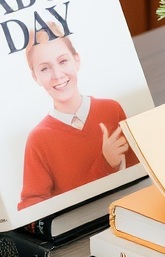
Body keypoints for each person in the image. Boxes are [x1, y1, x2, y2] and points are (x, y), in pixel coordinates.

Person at [17, 24, 133, 211]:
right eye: (45, 68)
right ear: (35, 77)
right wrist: (105, 164)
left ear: (76, 60)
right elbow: (30, 207)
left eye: (63, 61)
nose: (57, 75)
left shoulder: (111, 109)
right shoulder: (38, 139)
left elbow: (140, 173)